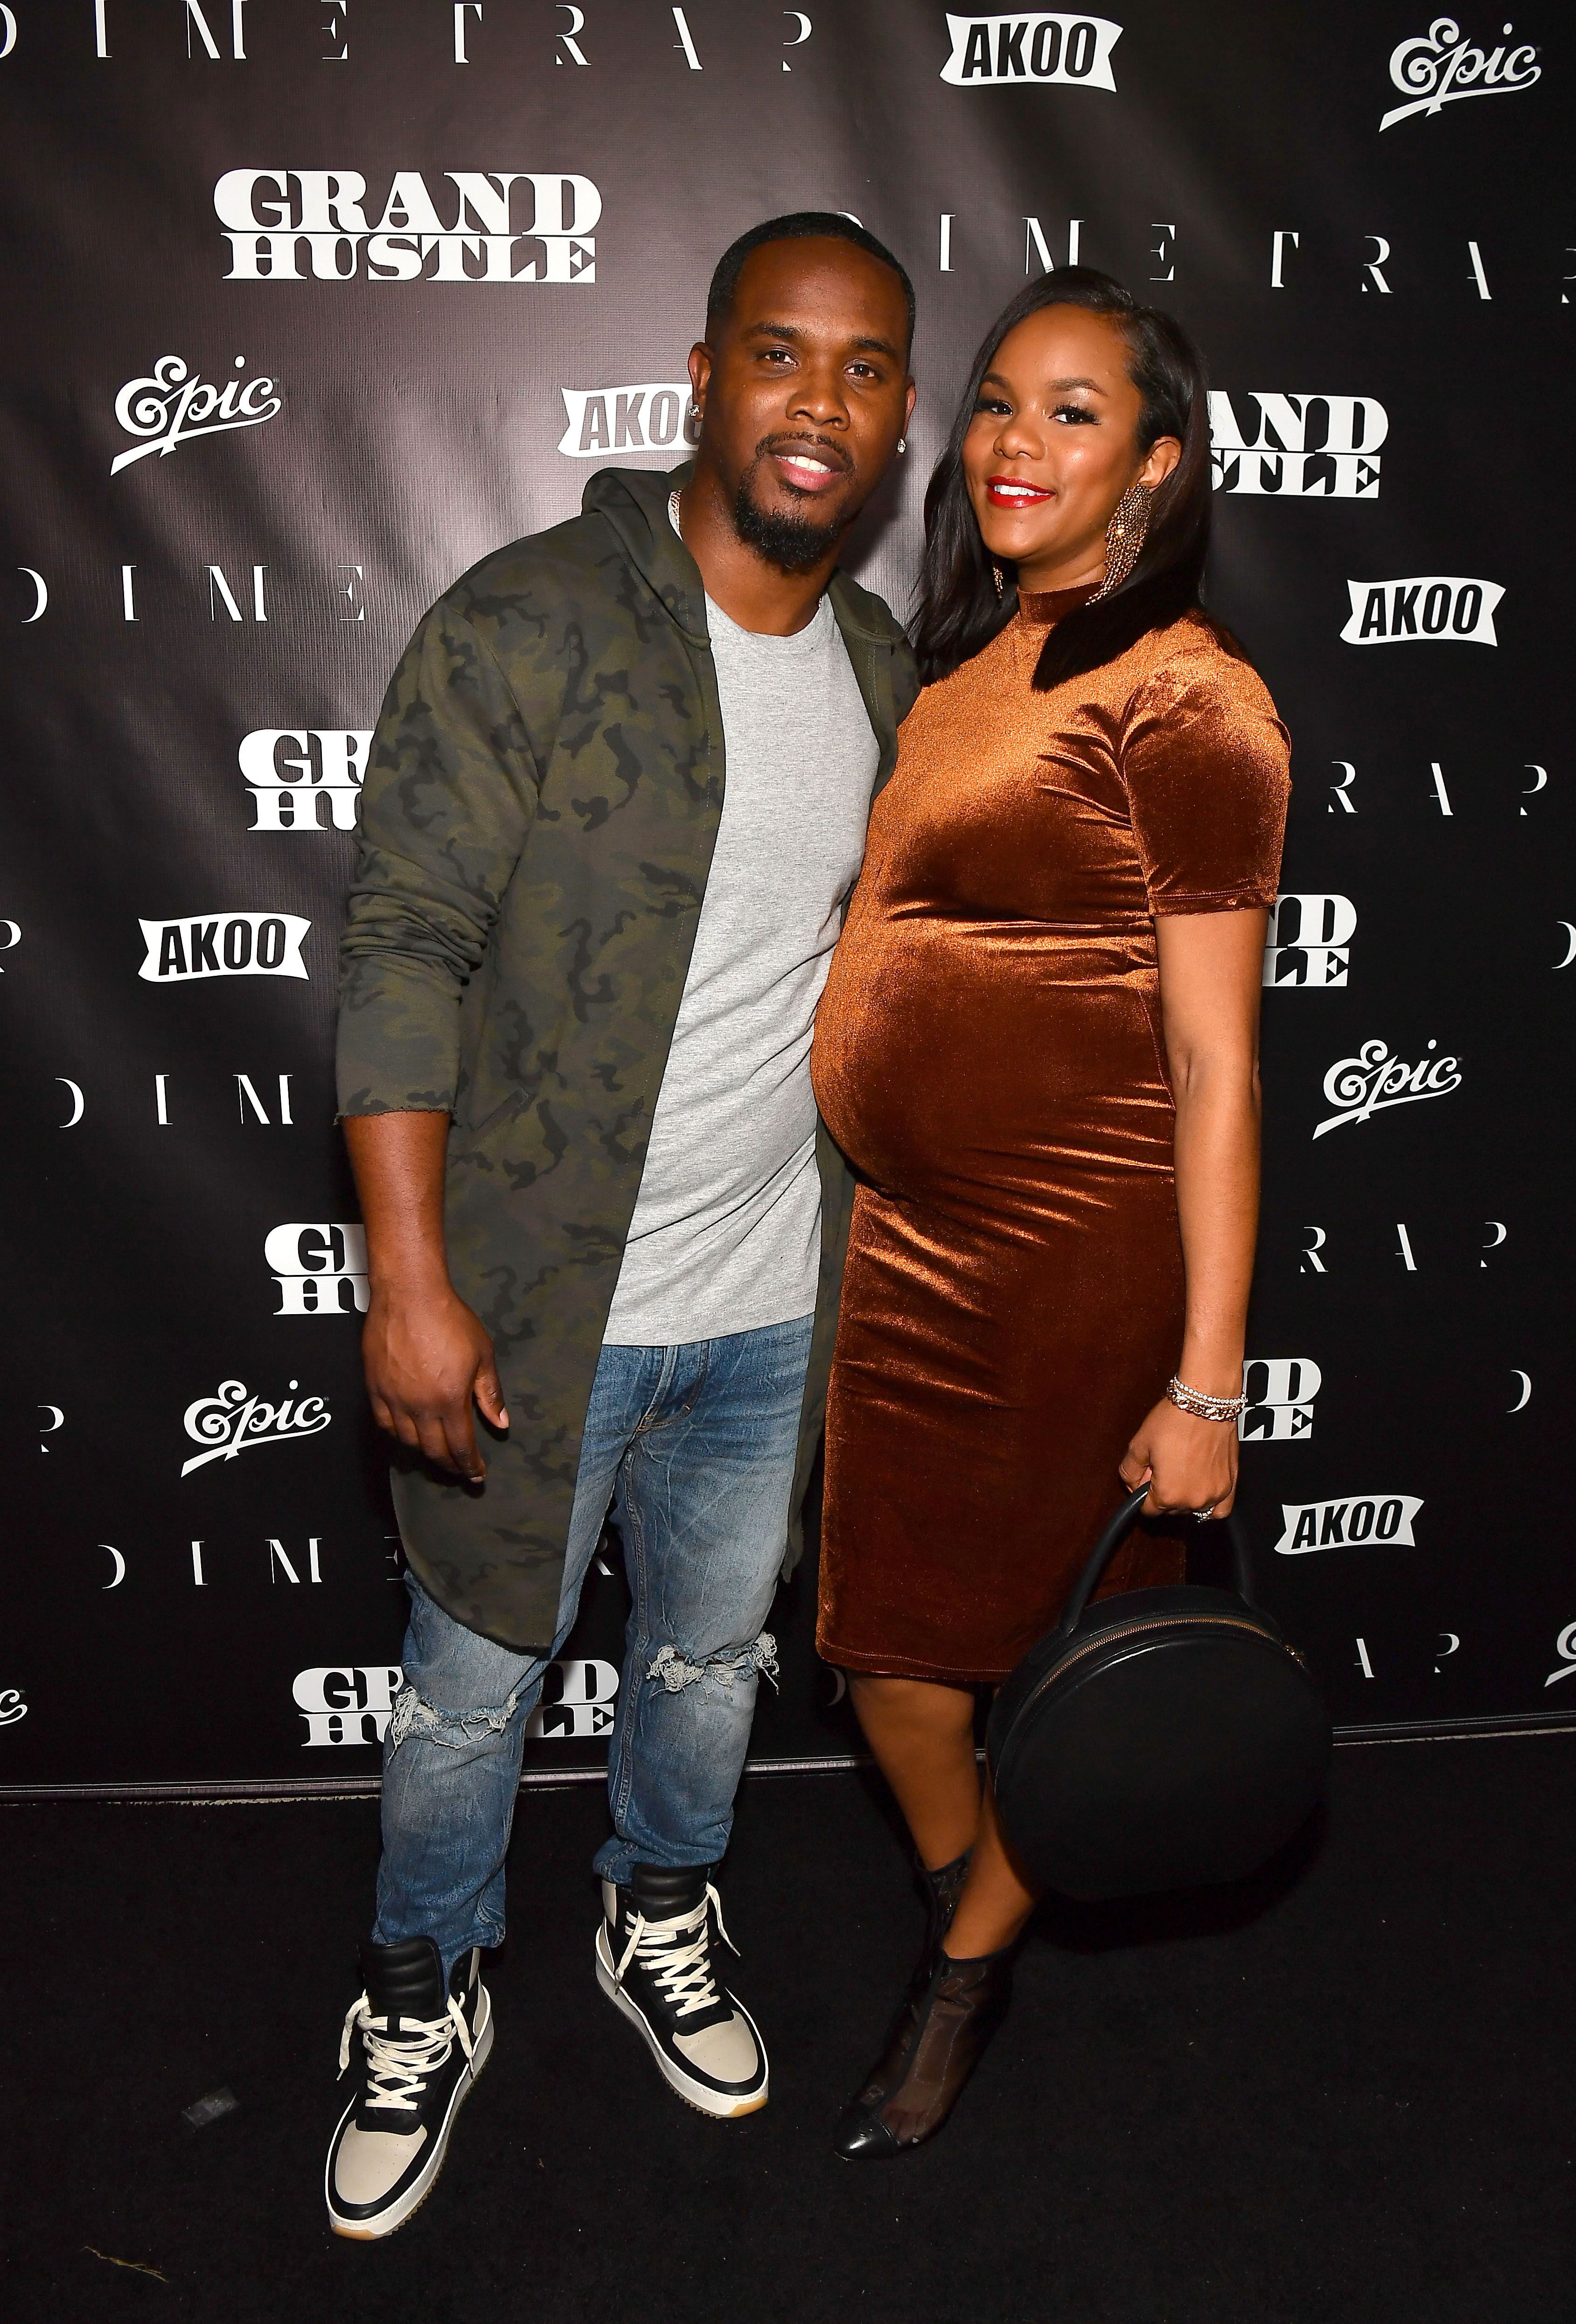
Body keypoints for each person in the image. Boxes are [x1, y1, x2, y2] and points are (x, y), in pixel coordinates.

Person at [326, 211, 917, 2239]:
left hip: (768, 1306)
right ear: (698, 372)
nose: (815, 405)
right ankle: (419, 1988)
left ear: (897, 411)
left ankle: (659, 1913)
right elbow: (401, 942)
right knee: (471, 1691)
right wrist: (404, 1279)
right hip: (527, 1314)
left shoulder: (879, 669)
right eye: (779, 356)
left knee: (702, 1671)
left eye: (860, 370)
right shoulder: (527, 623)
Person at [810, 267, 1290, 2157]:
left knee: (1056, 1655)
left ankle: (954, 1980)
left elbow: (1216, 1068)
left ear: (1154, 470)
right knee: (885, 1667)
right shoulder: (963, 671)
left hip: (1082, 1261)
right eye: (997, 401)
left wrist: (1208, 1382)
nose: (1014, 442)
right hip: (911, 1257)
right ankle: (982, 1902)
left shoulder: (1188, 695)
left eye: (1073, 412)